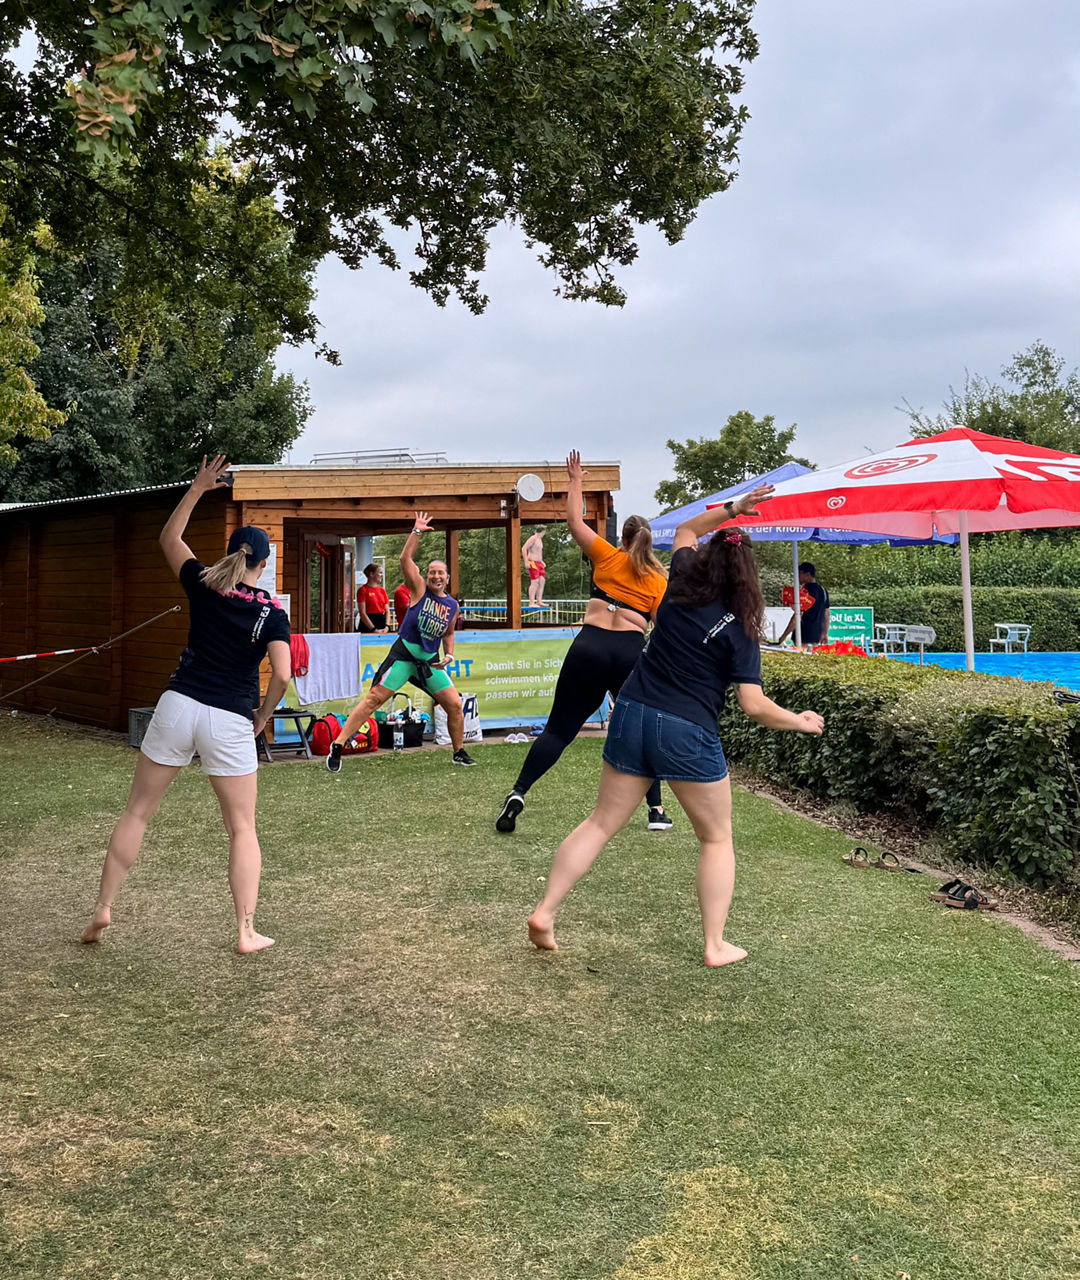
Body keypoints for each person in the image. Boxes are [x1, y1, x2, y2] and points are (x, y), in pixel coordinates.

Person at [527, 486, 825, 967]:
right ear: (749, 580)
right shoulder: (742, 630)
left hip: (632, 712)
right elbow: (753, 705)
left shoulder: (681, 580)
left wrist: (732, 511)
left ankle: (544, 912)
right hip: (687, 730)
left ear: (706, 560)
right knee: (715, 838)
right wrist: (801, 722)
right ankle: (715, 945)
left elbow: (687, 530)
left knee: (600, 823)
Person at [80, 456, 291, 954]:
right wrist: (263, 715)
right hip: (230, 719)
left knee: (136, 813)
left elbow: (168, 539)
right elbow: (282, 673)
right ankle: (245, 932)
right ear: (263, 564)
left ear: (232, 555)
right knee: (241, 828)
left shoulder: (204, 583)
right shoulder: (270, 612)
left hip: (177, 706)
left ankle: (102, 909)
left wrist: (198, 488)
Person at [496, 450, 673, 836]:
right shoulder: (658, 581)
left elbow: (574, 520)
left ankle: (518, 792)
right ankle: (656, 810)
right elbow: (664, 631)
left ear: (622, 539)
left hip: (587, 647)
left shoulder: (607, 557)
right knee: (639, 731)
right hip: (627, 652)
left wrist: (575, 479)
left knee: (558, 730)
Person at [327, 511, 477, 770]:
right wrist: (416, 530)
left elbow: (449, 633)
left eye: (440, 573)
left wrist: (449, 654)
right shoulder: (419, 590)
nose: (436, 576)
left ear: (448, 578)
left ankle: (458, 751)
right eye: (432, 572)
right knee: (374, 700)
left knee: (454, 704)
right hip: (403, 658)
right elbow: (405, 558)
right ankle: (338, 745)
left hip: (428, 663)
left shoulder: (452, 605)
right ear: (426, 576)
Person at [779, 562, 831, 646]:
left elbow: (797, 616)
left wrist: (783, 637)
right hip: (817, 637)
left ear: (807, 574)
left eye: (799, 573)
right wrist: (824, 633)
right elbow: (826, 614)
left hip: (803, 637)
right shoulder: (823, 591)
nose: (796, 577)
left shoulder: (804, 592)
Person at [355, 562, 389, 633]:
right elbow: (362, 613)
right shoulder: (362, 590)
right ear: (371, 574)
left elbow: (387, 611)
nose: (381, 575)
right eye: (380, 573)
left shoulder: (382, 590)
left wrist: (387, 626)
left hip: (382, 622)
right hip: (368, 624)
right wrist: (373, 629)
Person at [522, 528, 546, 606]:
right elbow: (524, 548)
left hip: (539, 563)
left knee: (542, 581)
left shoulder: (539, 540)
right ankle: (531, 602)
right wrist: (526, 561)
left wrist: (542, 561)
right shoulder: (533, 538)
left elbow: (537, 552)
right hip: (533, 562)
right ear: (542, 532)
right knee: (535, 582)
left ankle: (539, 600)